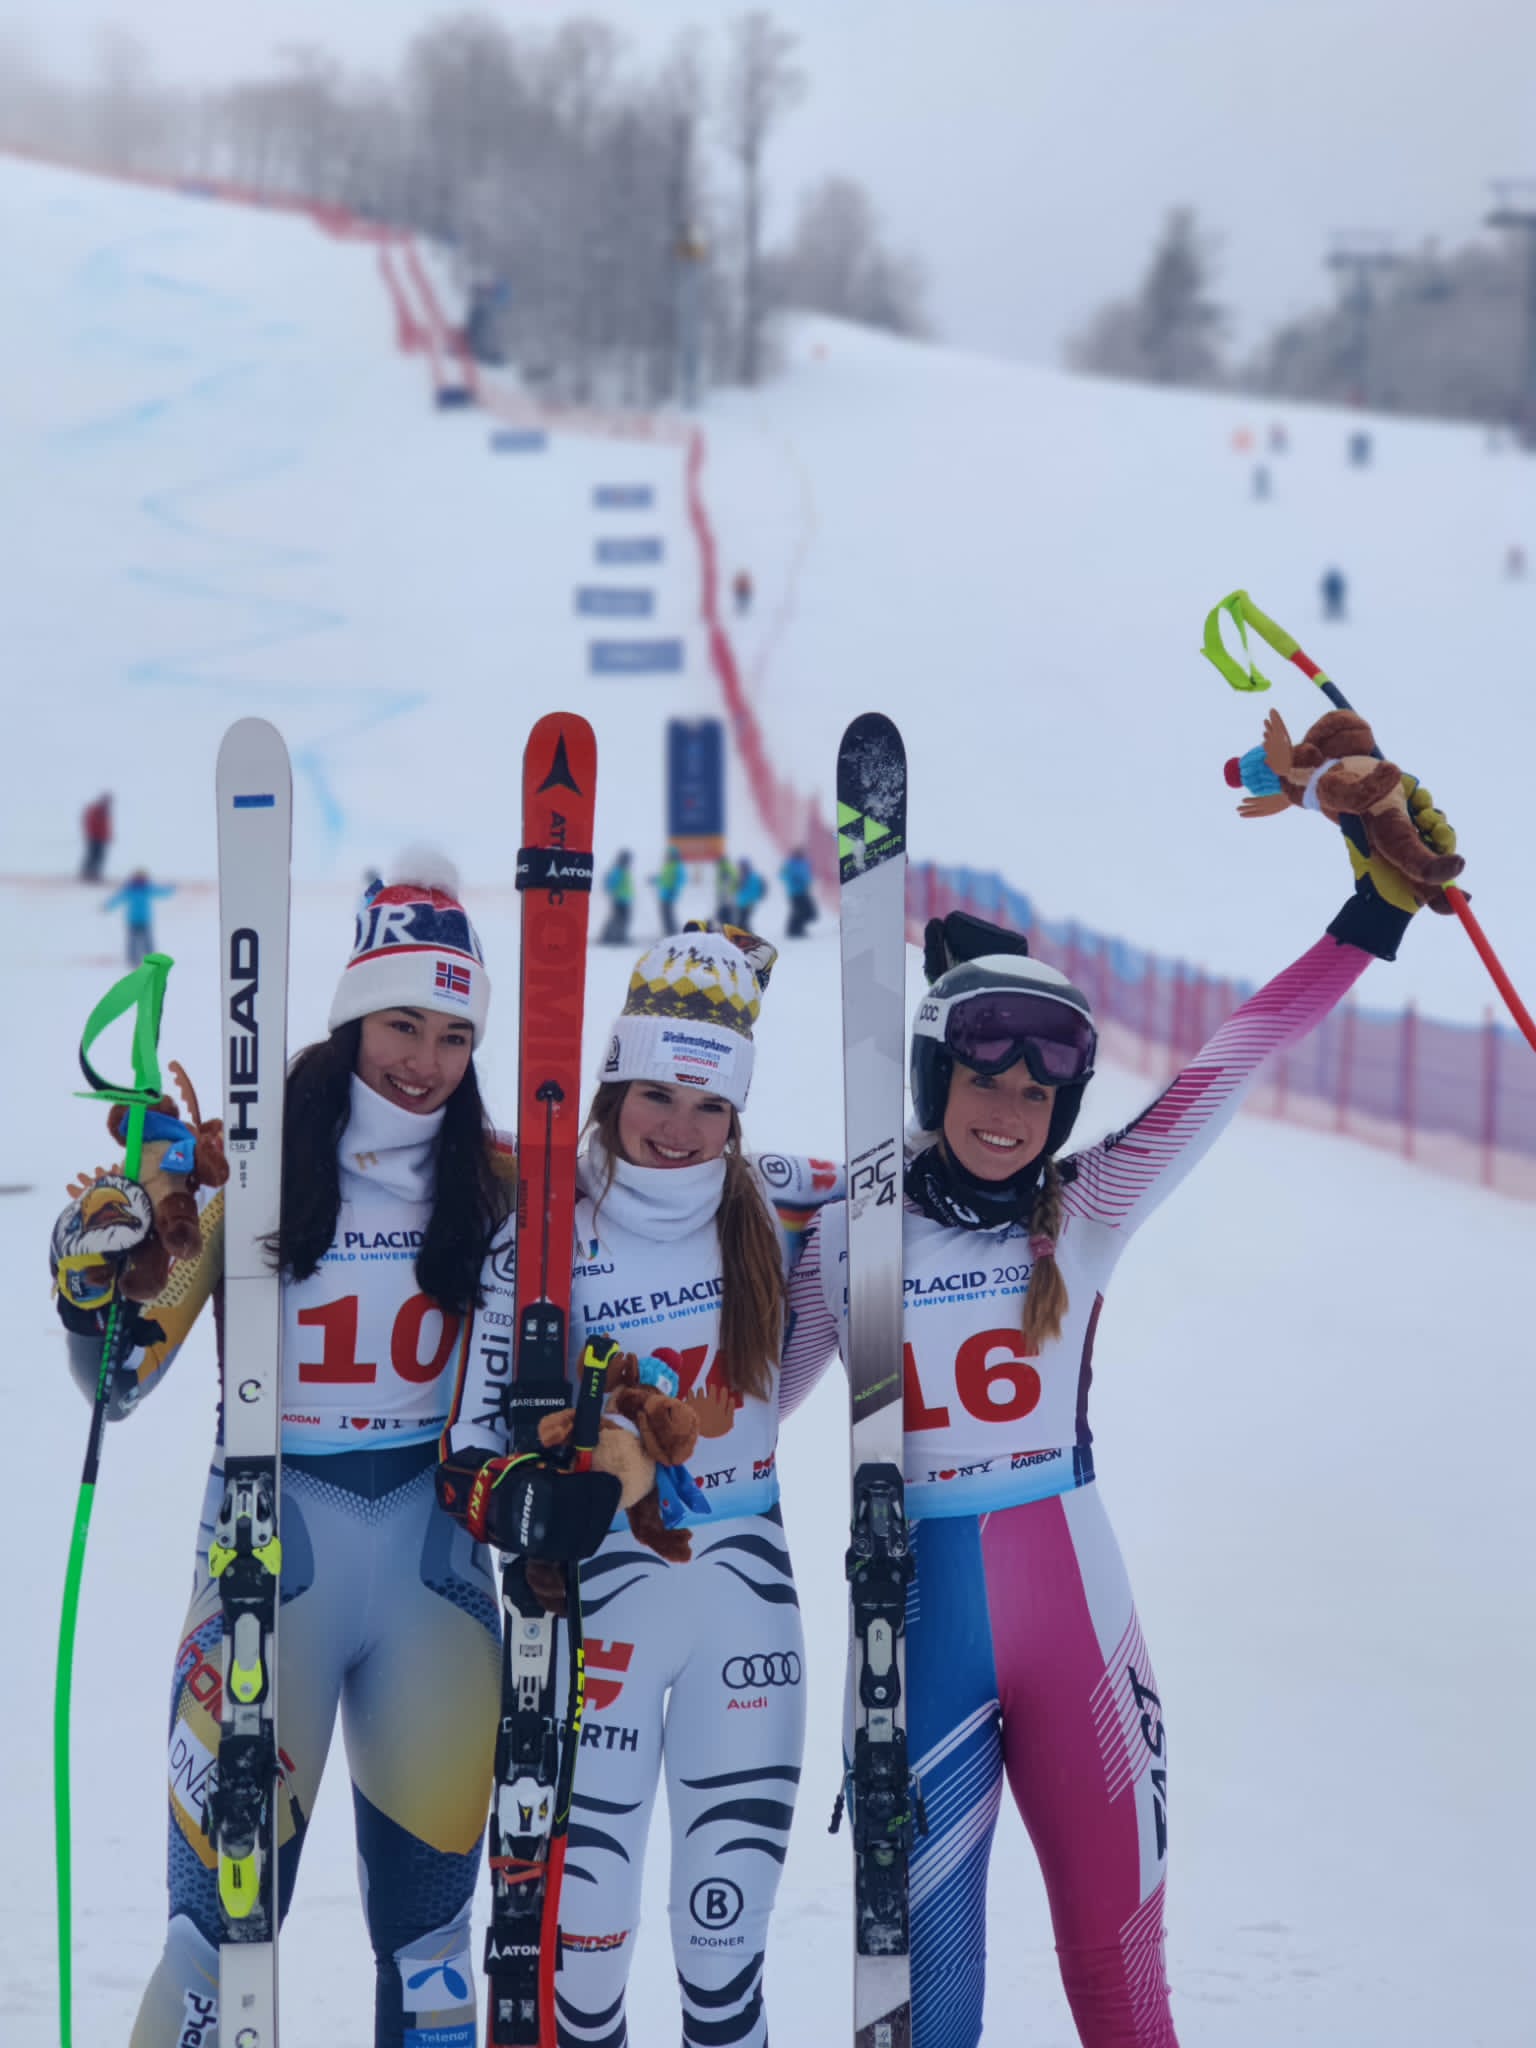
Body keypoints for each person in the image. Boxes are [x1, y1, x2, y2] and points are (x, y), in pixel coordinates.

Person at [799, 782, 1457, 2047]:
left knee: (1121, 1981)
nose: (1007, 1112)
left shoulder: (1086, 1205)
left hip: (1077, 1616)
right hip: (913, 1624)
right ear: (932, 1076)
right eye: (981, 1080)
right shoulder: (848, 1228)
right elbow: (760, 1401)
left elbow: (1236, 1054)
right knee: (929, 2002)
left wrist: (1373, 913)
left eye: (1037, 1095)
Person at [49, 858, 619, 2048]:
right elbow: (125, 1372)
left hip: (434, 1570)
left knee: (433, 1961)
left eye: (455, 1032)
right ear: (354, 1011)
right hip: (274, 1557)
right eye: (401, 1021)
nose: (424, 1058)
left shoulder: (500, 1178)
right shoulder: (251, 1166)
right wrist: (88, 1278)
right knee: (213, 1944)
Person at [441, 923, 841, 2048]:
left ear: (739, 1114)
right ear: (614, 1082)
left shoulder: (781, 1205)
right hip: (597, 1621)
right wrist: (527, 1505)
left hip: (748, 1608)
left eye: (710, 1105)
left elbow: (932, 1178)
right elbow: (467, 1445)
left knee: (724, 1966)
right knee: (586, 1969)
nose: (679, 1128)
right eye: (656, 1093)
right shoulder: (545, 1228)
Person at [102, 868, 175, 964]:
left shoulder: (148, 888)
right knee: (132, 942)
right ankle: (132, 960)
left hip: (145, 920)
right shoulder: (129, 889)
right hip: (133, 920)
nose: (140, 880)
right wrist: (108, 906)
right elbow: (118, 898)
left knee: (147, 941)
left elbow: (161, 892)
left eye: (142, 878)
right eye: (138, 878)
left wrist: (171, 888)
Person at [779, 847, 819, 937]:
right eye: (797, 854)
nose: (799, 855)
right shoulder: (789, 864)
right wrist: (792, 879)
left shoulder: (805, 863)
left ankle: (795, 928)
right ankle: (794, 929)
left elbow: (808, 875)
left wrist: (808, 881)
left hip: (803, 891)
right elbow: (782, 875)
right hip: (794, 892)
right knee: (800, 911)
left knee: (809, 912)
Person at [600, 848, 636, 944]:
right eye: (627, 859)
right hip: (619, 899)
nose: (629, 862)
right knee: (619, 919)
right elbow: (612, 884)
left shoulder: (623, 870)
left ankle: (615, 936)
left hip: (624, 899)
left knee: (621, 919)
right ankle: (612, 936)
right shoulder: (618, 870)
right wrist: (613, 893)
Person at [651, 842, 685, 936]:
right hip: (663, 894)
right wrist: (654, 880)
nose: (667, 856)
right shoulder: (667, 866)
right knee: (664, 914)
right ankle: (668, 931)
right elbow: (663, 879)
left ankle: (672, 931)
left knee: (669, 914)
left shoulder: (677, 866)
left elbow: (681, 879)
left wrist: (674, 889)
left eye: (669, 855)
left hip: (670, 894)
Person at [80, 792, 112, 882]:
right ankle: (88, 874)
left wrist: (108, 836)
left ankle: (93, 873)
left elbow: (105, 825)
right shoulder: (97, 810)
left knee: (99, 856)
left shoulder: (104, 811)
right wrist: (93, 834)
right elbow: (91, 823)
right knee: (93, 856)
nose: (108, 803)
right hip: (95, 837)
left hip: (101, 838)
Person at [734, 855, 767, 924]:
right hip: (742, 902)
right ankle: (744, 932)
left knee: (743, 920)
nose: (740, 868)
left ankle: (743, 933)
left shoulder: (752, 876)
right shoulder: (741, 876)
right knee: (743, 920)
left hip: (748, 902)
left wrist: (759, 896)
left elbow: (762, 887)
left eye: (742, 866)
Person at [714, 851, 739, 926]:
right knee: (724, 915)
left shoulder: (726, 868)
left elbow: (732, 880)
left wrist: (725, 892)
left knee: (725, 915)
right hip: (725, 896)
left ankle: (727, 928)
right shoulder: (724, 867)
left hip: (727, 896)